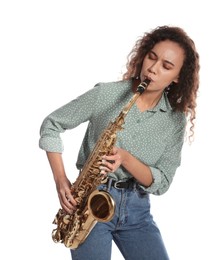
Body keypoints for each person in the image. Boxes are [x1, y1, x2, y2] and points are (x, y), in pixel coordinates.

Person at [39, 25, 200, 260]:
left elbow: (162, 182)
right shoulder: (106, 94)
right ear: (143, 55)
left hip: (138, 211)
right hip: (89, 202)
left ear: (177, 77)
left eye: (166, 66)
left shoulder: (175, 121)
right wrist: (60, 180)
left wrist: (125, 158)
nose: (153, 69)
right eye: (151, 57)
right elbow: (51, 125)